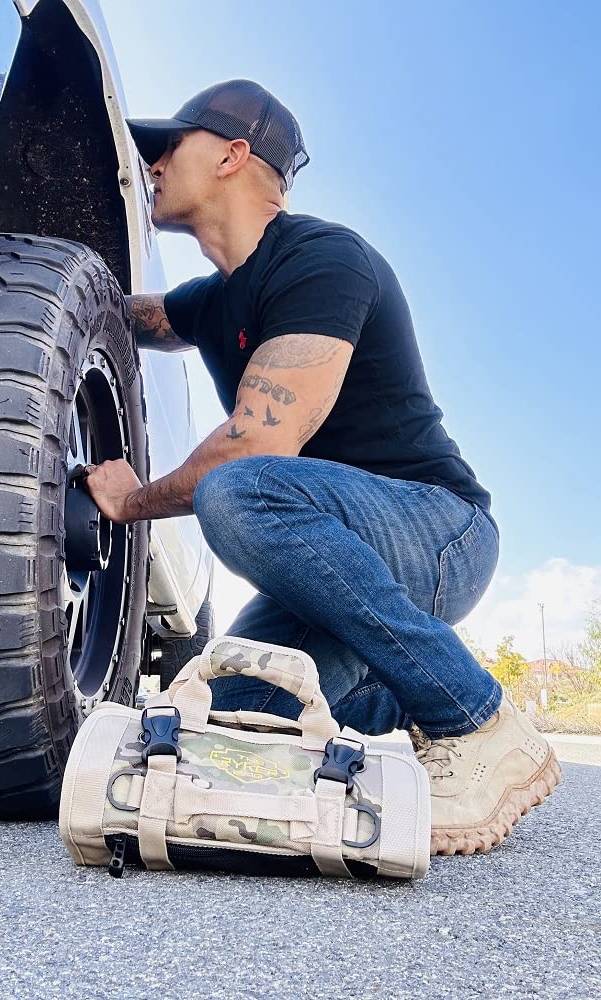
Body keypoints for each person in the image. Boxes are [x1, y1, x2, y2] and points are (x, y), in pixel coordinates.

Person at [83, 79, 561, 856]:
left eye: (168, 145)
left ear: (235, 155)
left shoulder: (321, 258)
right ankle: (385, 721)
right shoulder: (211, 301)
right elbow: (121, 312)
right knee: (234, 719)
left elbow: (251, 450)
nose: (152, 163)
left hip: (439, 531)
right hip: (343, 554)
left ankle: (474, 720)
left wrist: (129, 501)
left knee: (236, 490)